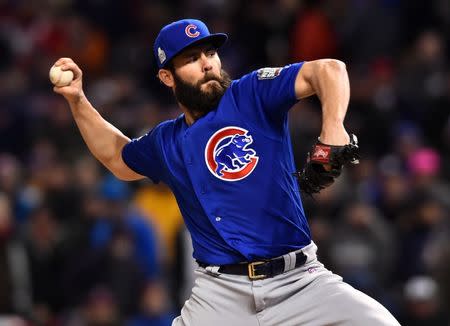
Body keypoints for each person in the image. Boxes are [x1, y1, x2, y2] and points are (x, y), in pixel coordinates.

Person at [53, 18, 400, 326]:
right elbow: (117, 157)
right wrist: (78, 100)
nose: (207, 64)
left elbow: (329, 70)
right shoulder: (166, 141)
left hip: (300, 282)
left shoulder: (251, 94)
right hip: (220, 295)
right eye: (191, 59)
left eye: (210, 53)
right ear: (166, 77)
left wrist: (333, 130)